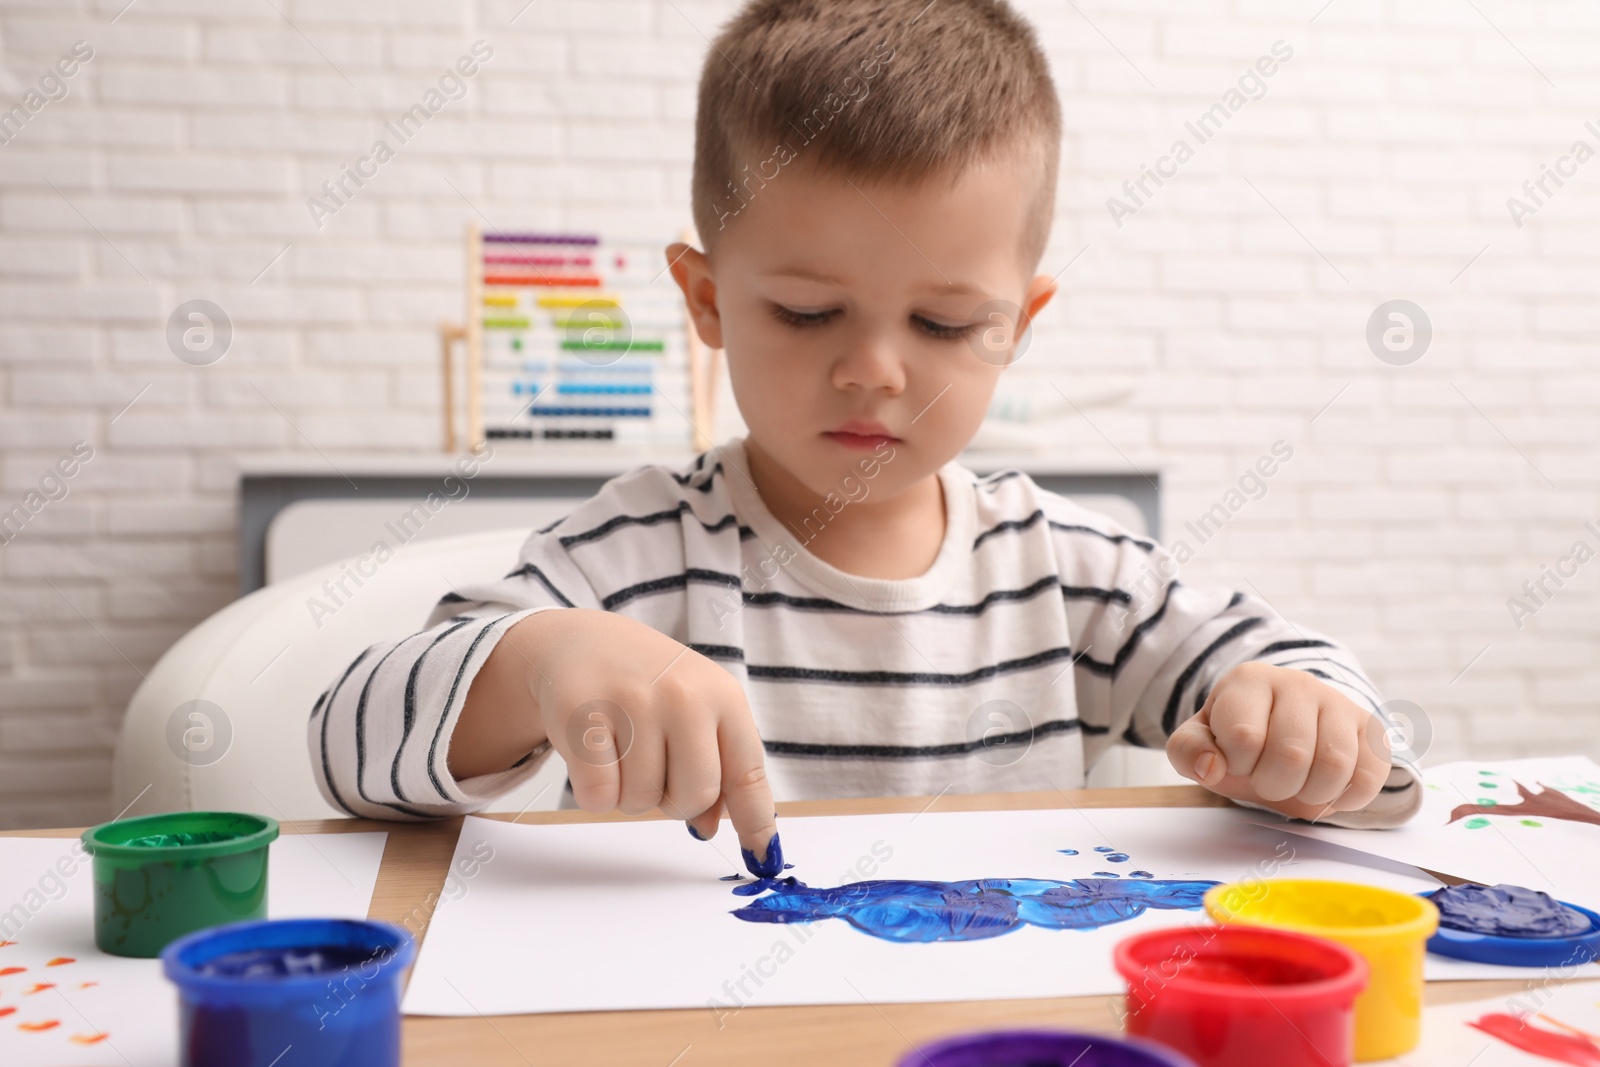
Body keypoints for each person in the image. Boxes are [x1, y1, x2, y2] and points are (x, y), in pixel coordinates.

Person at [310, 0, 1420, 878]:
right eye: (805, 312)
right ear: (705, 300)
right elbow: (347, 746)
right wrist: (539, 661)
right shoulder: (631, 553)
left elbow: (1343, 725)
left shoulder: (1070, 568)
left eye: (943, 324)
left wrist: (1302, 722)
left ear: (1017, 326)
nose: (874, 369)